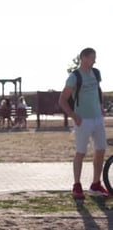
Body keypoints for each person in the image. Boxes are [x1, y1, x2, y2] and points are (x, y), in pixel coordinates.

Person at [58, 47, 109, 201]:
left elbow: (98, 90)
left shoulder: (96, 73)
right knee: (81, 152)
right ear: (84, 58)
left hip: (97, 119)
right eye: (93, 57)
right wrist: (74, 115)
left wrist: (100, 106)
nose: (95, 60)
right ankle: (77, 185)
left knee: (101, 150)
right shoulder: (74, 77)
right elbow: (62, 99)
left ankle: (95, 184)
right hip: (83, 120)